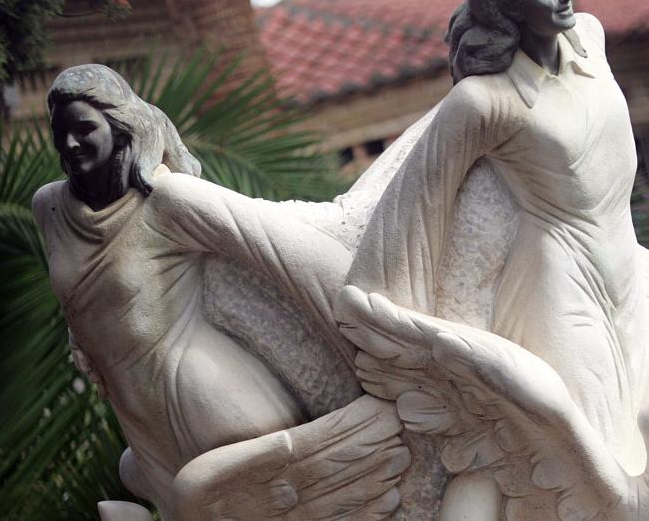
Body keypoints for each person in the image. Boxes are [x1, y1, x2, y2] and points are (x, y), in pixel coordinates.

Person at [343, 0, 649, 519]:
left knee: (641, 444)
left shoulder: (591, 37)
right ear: (510, 8)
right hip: (558, 288)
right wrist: (393, 305)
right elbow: (422, 197)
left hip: (629, 277)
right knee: (580, 463)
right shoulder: (484, 103)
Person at [34, 64, 402, 520]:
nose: (70, 144)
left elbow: (290, 251)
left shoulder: (167, 199)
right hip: (138, 413)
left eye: (85, 129)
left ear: (120, 125)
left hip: (209, 400)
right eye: (59, 131)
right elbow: (82, 297)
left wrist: (378, 342)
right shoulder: (49, 207)